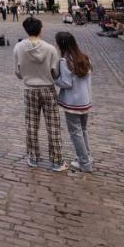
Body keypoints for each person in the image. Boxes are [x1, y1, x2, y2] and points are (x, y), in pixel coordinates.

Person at [13, 17, 65, 171]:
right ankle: (56, 161)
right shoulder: (50, 49)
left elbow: (18, 73)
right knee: (53, 125)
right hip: (48, 88)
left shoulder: (18, 47)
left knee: (31, 124)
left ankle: (33, 157)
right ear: (40, 29)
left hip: (30, 89)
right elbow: (55, 73)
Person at [54, 32, 93, 173]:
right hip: (85, 100)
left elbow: (66, 83)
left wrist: (54, 79)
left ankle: (84, 162)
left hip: (72, 103)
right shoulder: (85, 58)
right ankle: (88, 157)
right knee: (83, 130)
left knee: (75, 133)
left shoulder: (65, 61)